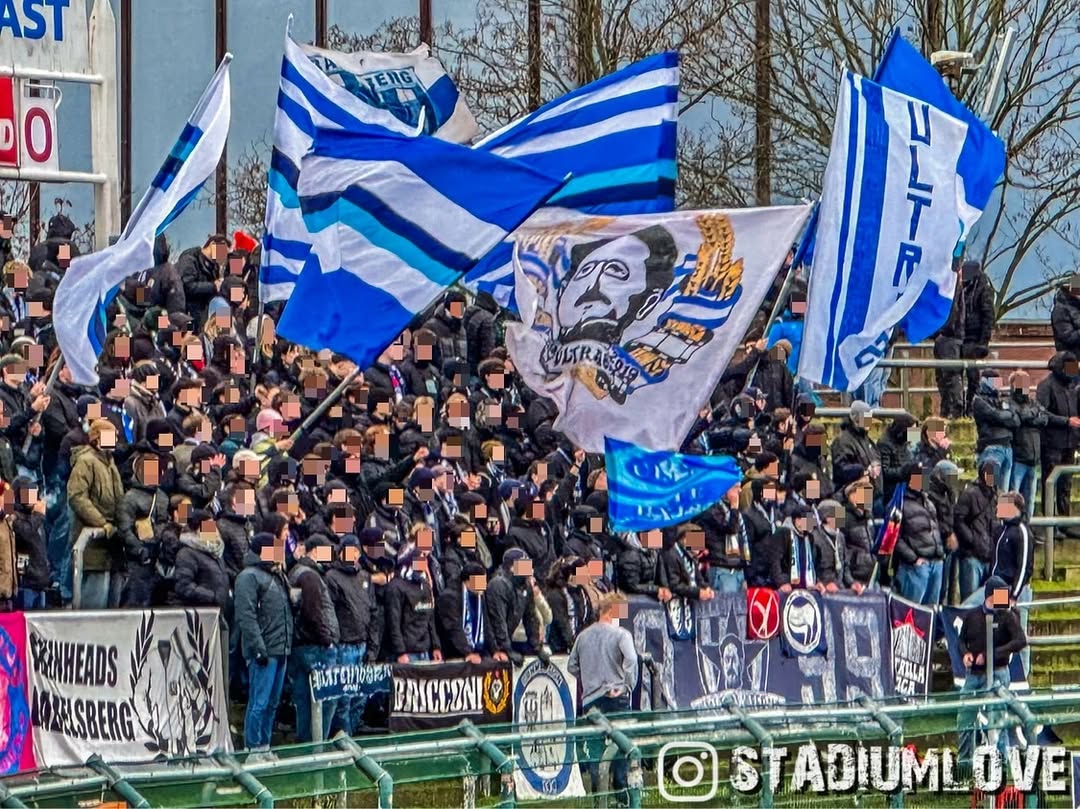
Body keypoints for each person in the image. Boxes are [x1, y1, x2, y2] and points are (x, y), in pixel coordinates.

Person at [567, 591, 639, 800]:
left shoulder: (583, 636)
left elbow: (572, 666)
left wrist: (589, 678)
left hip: (590, 700)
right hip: (614, 696)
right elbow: (632, 660)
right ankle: (622, 795)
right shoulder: (621, 635)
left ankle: (598, 796)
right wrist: (627, 685)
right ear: (612, 611)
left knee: (595, 748)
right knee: (621, 747)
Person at [957, 576, 1026, 765]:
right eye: (1002, 593)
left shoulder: (1008, 616)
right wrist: (965, 654)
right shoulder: (972, 616)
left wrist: (992, 654)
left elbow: (1020, 640)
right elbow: (961, 640)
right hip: (974, 675)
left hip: (998, 673)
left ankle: (1001, 761)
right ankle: (964, 762)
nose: (1006, 597)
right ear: (991, 595)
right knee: (965, 718)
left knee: (998, 718)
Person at [234, 532, 292, 755]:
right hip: (264, 650)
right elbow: (246, 616)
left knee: (272, 703)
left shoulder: (276, 575)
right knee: (259, 702)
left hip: (280, 648)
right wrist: (258, 648)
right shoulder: (248, 577)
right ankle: (253, 748)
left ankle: (265, 746)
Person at [287, 535, 340, 743]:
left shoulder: (297, 572)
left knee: (303, 700)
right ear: (315, 550)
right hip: (315, 647)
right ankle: (317, 746)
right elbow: (313, 612)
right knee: (326, 699)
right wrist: (327, 639)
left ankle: (305, 746)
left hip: (302, 646)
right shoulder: (309, 576)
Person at [67, 419, 125, 605]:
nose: (115, 439)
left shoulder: (111, 464)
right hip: (93, 548)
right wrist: (102, 523)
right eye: (111, 436)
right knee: (95, 605)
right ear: (97, 438)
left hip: (113, 547)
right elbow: (77, 497)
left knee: (113, 608)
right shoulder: (85, 462)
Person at [1037, 352, 1080, 527]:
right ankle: (1050, 524)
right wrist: (1065, 421)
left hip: (1069, 443)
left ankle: (1064, 522)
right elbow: (1041, 412)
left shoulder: (1071, 387)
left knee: (1066, 485)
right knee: (1050, 484)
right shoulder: (1046, 386)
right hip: (1052, 444)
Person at [894, 466, 945, 605]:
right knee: (911, 612)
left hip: (936, 562)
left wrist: (940, 554)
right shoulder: (898, 504)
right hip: (916, 567)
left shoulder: (928, 501)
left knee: (931, 611)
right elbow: (893, 537)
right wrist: (913, 559)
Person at [954, 462, 998, 602]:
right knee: (970, 601)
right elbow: (958, 520)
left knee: (989, 602)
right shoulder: (969, 494)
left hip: (989, 557)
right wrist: (972, 540)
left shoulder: (997, 496)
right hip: (971, 556)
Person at [1007, 372, 1047, 519]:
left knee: (1029, 501)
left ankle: (1026, 530)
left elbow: (1044, 417)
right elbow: (1022, 416)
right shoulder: (1009, 402)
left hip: (1033, 460)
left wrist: (1032, 416)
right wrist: (1034, 415)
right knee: (1012, 497)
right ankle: (1009, 528)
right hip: (1018, 458)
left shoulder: (1033, 402)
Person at [972, 370, 1019, 488]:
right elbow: (996, 415)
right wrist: (1006, 415)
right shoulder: (979, 401)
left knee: (1004, 494)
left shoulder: (1003, 399)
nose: (999, 385)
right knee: (989, 489)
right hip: (991, 448)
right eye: (996, 381)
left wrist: (1004, 415)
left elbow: (1016, 420)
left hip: (1007, 447)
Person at [960, 260, 996, 413]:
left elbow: (988, 316)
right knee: (958, 375)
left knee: (973, 375)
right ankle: (964, 409)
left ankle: (971, 408)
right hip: (962, 335)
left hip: (973, 338)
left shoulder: (982, 289)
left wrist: (983, 341)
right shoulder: (965, 287)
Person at [436, 561, 491, 661]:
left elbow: (486, 624)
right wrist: (467, 652)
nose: (485, 585)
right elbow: (454, 627)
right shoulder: (449, 597)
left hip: (477, 651)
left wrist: (495, 650)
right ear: (468, 581)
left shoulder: (479, 595)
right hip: (453, 655)